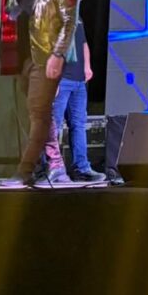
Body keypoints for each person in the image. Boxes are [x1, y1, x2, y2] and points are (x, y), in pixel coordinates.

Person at [0, 0, 80, 189]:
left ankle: (24, 171)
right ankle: (56, 166)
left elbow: (69, 23)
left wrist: (58, 55)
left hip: (48, 59)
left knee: (38, 114)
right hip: (25, 60)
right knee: (39, 114)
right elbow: (10, 12)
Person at [52, 15, 106, 182]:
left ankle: (82, 168)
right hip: (61, 79)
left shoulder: (77, 16)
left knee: (79, 124)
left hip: (79, 81)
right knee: (53, 125)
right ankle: (50, 169)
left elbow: (83, 43)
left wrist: (87, 66)